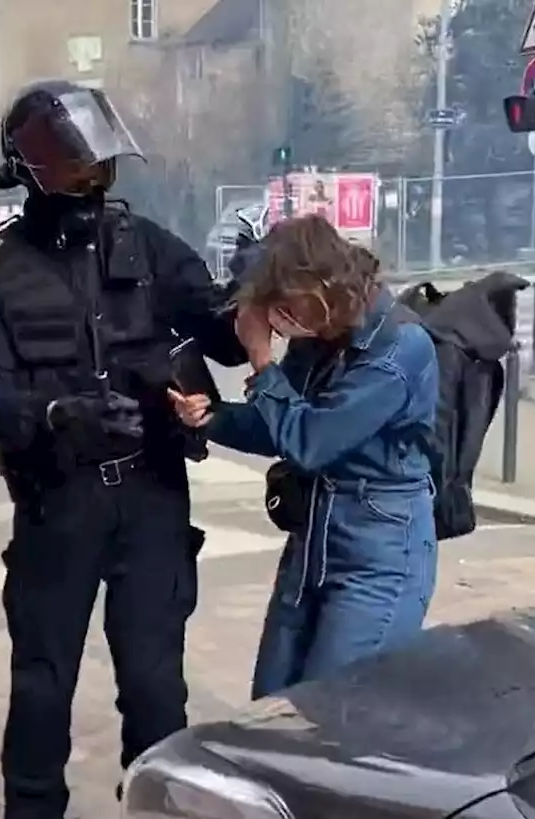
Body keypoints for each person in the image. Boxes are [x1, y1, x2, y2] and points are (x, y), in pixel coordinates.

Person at [0, 79, 248, 819]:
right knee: (42, 682)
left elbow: (224, 331)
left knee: (155, 684)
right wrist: (59, 414)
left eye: (101, 165)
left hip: (151, 495)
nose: (94, 179)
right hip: (60, 502)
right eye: (78, 167)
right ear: (33, 171)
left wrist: (254, 286)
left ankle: (160, 807)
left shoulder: (145, 244)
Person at [170, 214, 440, 699]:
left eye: (281, 308)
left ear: (316, 289)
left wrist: (260, 356)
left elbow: (310, 441)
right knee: (274, 706)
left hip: (379, 551)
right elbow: (283, 426)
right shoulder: (320, 334)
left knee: (333, 713)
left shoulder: (398, 350)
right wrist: (213, 418)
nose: (278, 321)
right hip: (314, 538)